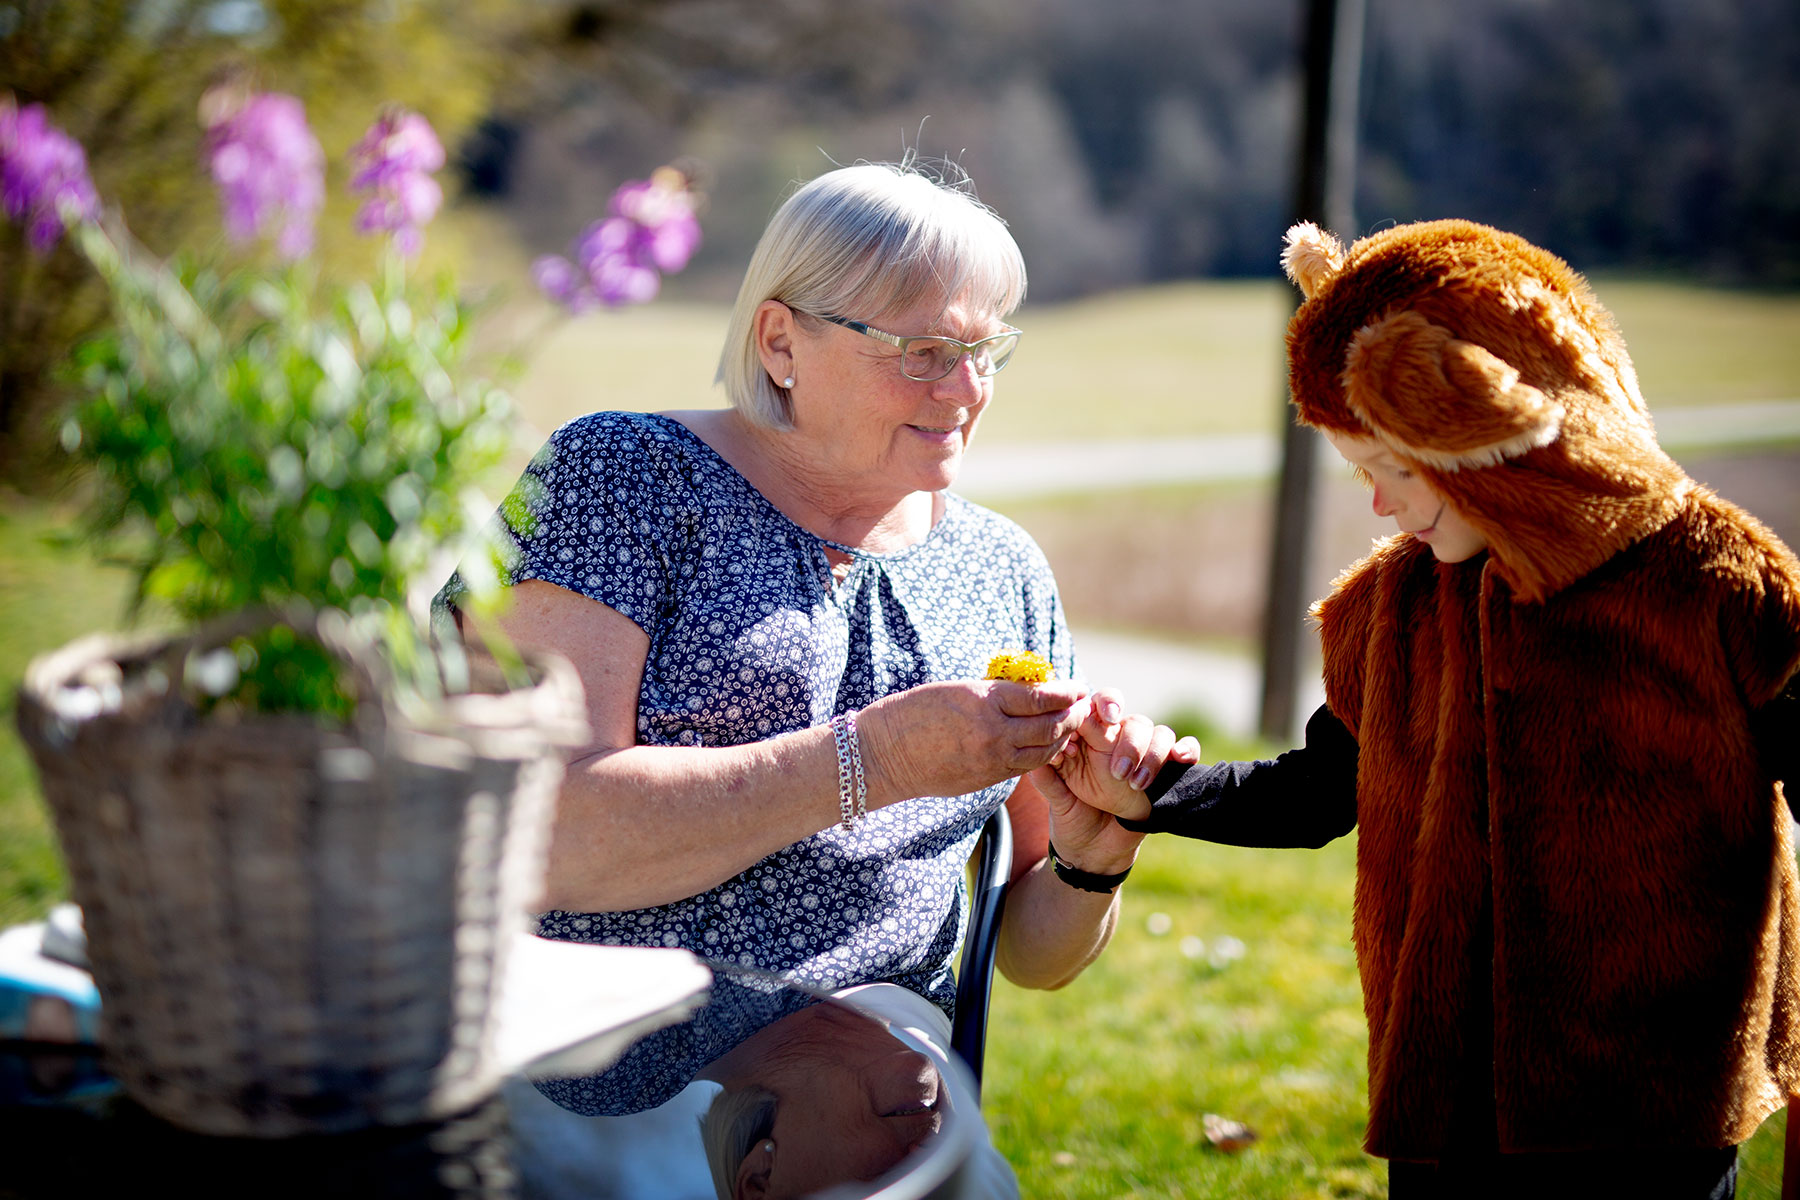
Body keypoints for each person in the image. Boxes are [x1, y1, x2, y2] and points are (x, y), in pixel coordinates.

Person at [1040, 218, 1800, 1198]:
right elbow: (1318, 792)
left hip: (1652, 1109)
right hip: (1448, 1108)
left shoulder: (1717, 587)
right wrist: (1153, 792)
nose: (1380, 505)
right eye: (1363, 473)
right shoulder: (1389, 609)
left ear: (1505, 426)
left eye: (1397, 470)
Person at [440, 160, 1173, 1034]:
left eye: (984, 352)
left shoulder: (1002, 566)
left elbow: (1028, 955)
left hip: (878, 1097)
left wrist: (1095, 861)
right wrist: (877, 760)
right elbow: (539, 835)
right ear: (781, 342)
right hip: (600, 1068)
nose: (968, 390)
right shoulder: (622, 476)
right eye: (923, 353)